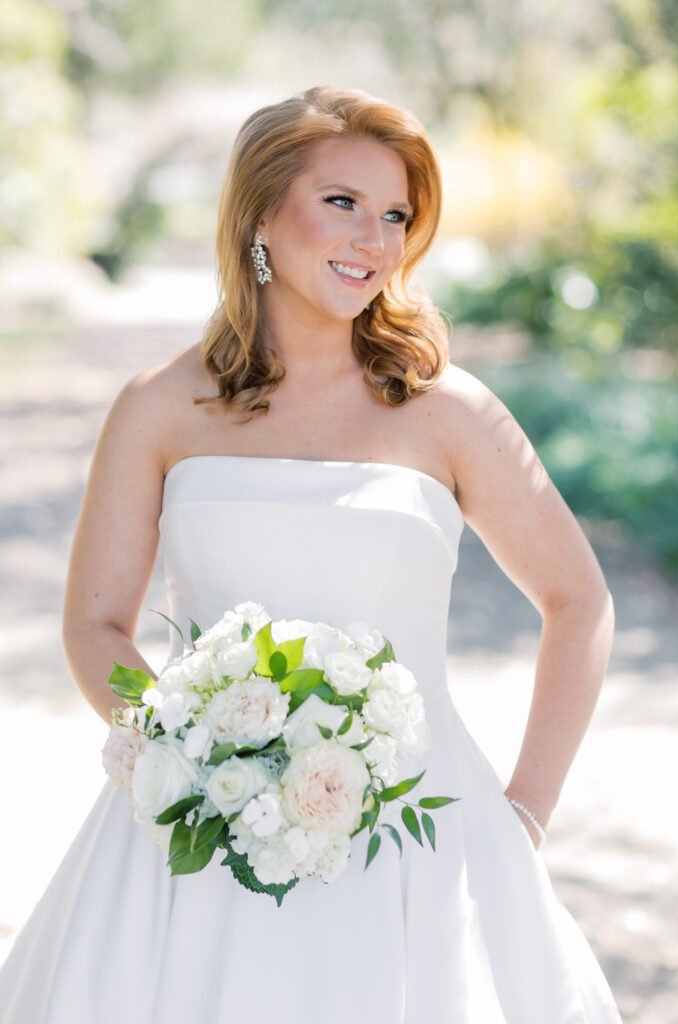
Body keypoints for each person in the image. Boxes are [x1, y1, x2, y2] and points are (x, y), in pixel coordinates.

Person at [0, 85, 622, 1023]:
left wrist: (522, 813)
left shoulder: (449, 413)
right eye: (342, 203)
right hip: (200, 837)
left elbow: (579, 601)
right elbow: (95, 626)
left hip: (416, 842)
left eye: (396, 216)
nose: (373, 240)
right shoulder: (158, 408)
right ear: (259, 210)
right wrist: (190, 747)